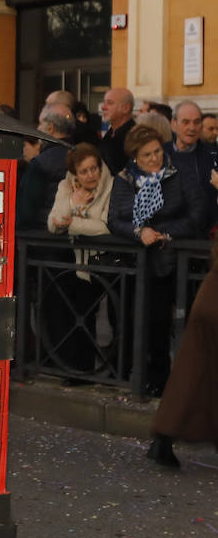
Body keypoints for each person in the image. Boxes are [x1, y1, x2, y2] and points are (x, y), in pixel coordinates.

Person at [107, 125, 206, 396]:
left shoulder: (180, 173)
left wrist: (167, 232)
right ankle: (142, 376)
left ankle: (177, 381)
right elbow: (115, 220)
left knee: (173, 325)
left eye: (157, 151)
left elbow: (198, 213)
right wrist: (139, 231)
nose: (155, 158)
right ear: (135, 157)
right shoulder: (125, 179)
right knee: (140, 323)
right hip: (136, 264)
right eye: (147, 154)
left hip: (175, 260)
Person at [44, 143, 115, 374]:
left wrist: (73, 223)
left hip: (101, 260)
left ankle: (95, 370)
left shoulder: (110, 185)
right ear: (75, 173)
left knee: (91, 314)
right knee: (72, 314)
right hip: (74, 261)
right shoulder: (66, 185)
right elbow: (53, 224)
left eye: (93, 168)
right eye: (84, 171)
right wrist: (73, 203)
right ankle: (76, 370)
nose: (91, 175)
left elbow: (105, 227)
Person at [148, 242, 218, 468]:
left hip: (209, 297)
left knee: (193, 373)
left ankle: (163, 439)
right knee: (197, 374)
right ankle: (163, 438)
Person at [17, 106, 72, 230]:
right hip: (73, 236)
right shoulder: (81, 155)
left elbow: (25, 210)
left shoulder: (42, 162)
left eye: (41, 124)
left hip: (42, 234)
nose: (38, 129)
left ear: (50, 128)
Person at [168, 100, 218, 233]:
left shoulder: (212, 156)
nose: (192, 127)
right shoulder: (158, 154)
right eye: (186, 122)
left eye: (196, 122)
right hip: (165, 236)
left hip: (203, 238)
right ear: (173, 124)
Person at [98, 87, 137, 176]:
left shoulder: (135, 137)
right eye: (104, 102)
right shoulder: (110, 134)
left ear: (126, 108)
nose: (103, 107)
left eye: (110, 103)